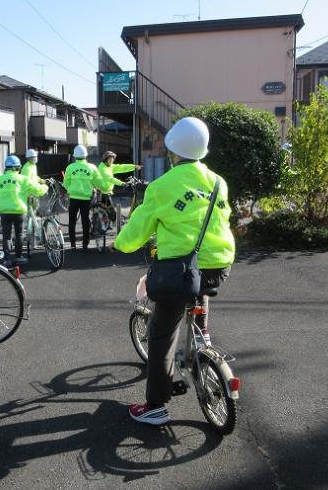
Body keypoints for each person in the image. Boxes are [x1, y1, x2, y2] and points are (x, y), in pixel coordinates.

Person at [114, 117, 235, 425]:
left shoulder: (161, 187)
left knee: (162, 334)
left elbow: (136, 233)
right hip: (220, 263)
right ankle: (202, 335)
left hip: (179, 269)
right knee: (197, 285)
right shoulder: (219, 183)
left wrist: (121, 243)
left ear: (172, 152)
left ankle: (155, 406)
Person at [0, 155, 48, 266]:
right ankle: (18, 257)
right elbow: (37, 190)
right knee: (18, 234)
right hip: (19, 211)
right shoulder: (23, 179)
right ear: (18, 167)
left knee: (6, 236)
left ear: (6, 167)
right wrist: (45, 187)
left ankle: (7, 259)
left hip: (4, 211)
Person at [63, 144, 105, 251]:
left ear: (75, 156)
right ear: (86, 156)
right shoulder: (91, 167)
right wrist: (102, 188)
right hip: (86, 199)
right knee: (85, 221)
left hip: (73, 198)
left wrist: (70, 190)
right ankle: (85, 244)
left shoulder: (70, 167)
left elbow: (66, 183)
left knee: (72, 221)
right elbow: (99, 182)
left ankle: (73, 245)